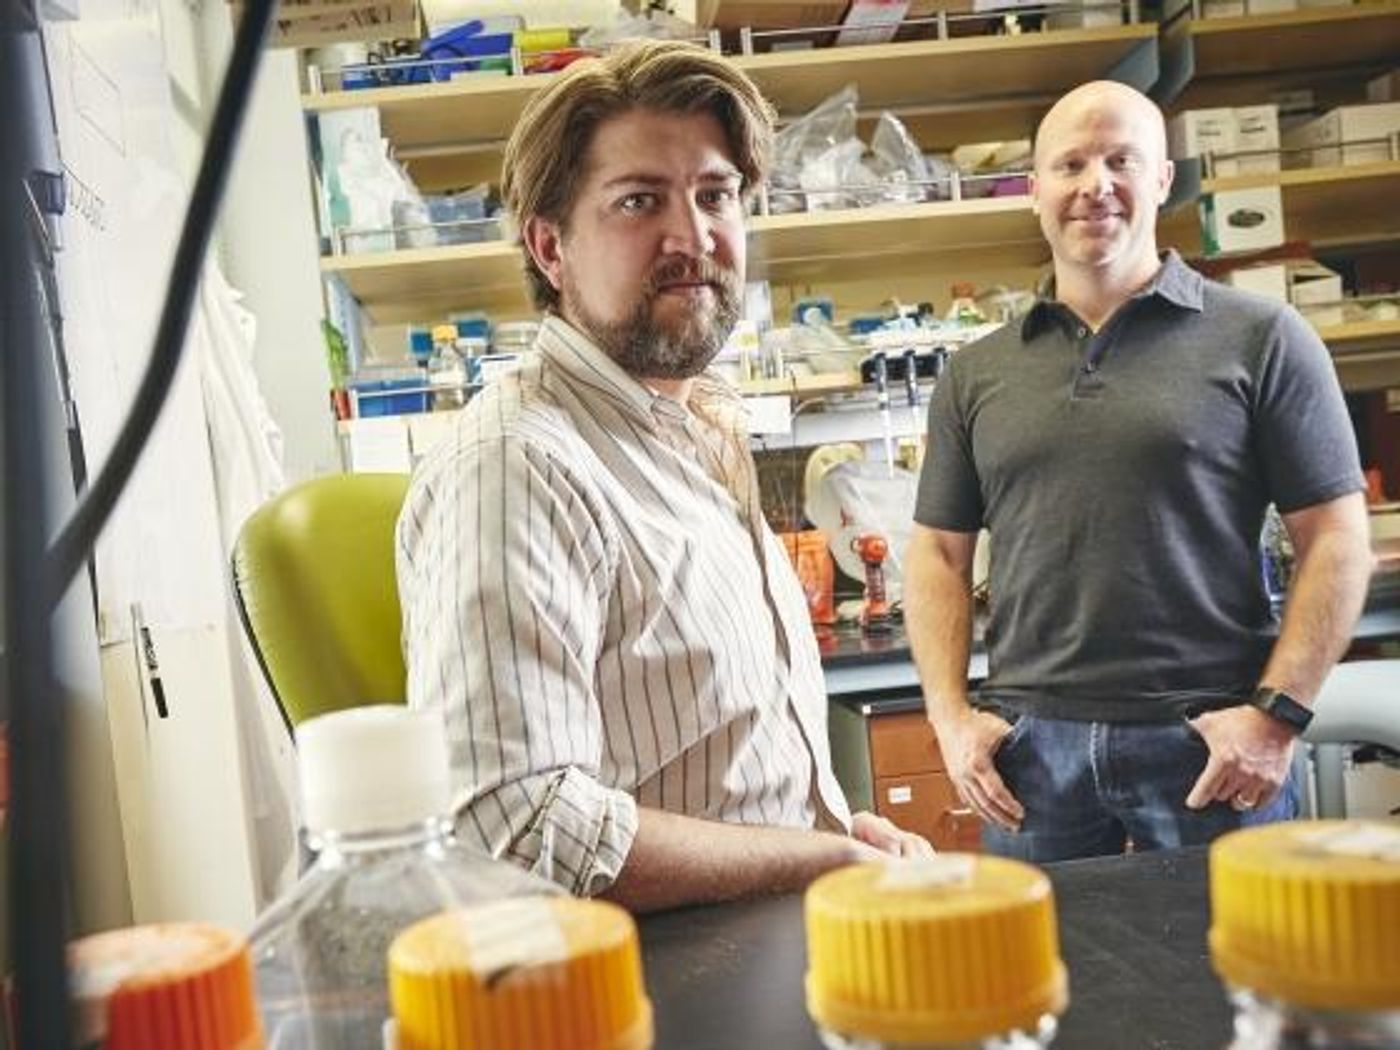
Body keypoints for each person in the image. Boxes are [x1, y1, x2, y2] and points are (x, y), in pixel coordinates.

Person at [396, 40, 930, 913]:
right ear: (550, 247)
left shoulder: (692, 425)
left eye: (715, 195)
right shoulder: (519, 467)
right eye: (639, 201)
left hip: (775, 942)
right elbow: (514, 825)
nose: (693, 237)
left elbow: (723, 761)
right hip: (662, 991)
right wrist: (812, 865)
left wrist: (842, 841)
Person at [904, 80, 1374, 862]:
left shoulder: (1263, 338)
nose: (1096, 186)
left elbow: (1336, 537)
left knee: (1230, 978)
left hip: (1210, 743)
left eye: (1122, 160)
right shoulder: (975, 372)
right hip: (1029, 754)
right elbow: (938, 553)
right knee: (1045, 982)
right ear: (1034, 191)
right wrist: (950, 719)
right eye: (1070, 164)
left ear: (1162, 179)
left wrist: (1275, 716)